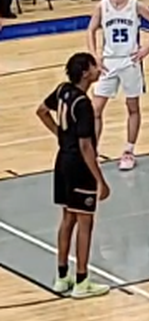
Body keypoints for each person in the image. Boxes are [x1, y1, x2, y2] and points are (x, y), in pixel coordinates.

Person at [35, 52, 109, 298]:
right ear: (86, 73)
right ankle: (82, 281)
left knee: (67, 219)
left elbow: (42, 111)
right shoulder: (84, 104)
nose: (99, 69)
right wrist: (100, 180)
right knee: (85, 222)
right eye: (95, 66)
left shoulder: (62, 90)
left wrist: (60, 134)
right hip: (79, 166)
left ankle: (62, 276)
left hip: (62, 162)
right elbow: (86, 147)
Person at [86, 0, 149, 172]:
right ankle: (92, 152)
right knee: (95, 110)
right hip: (108, 63)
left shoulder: (134, 4)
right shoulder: (102, 6)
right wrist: (94, 55)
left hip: (130, 62)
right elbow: (90, 30)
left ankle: (129, 151)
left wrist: (147, 47)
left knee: (132, 108)